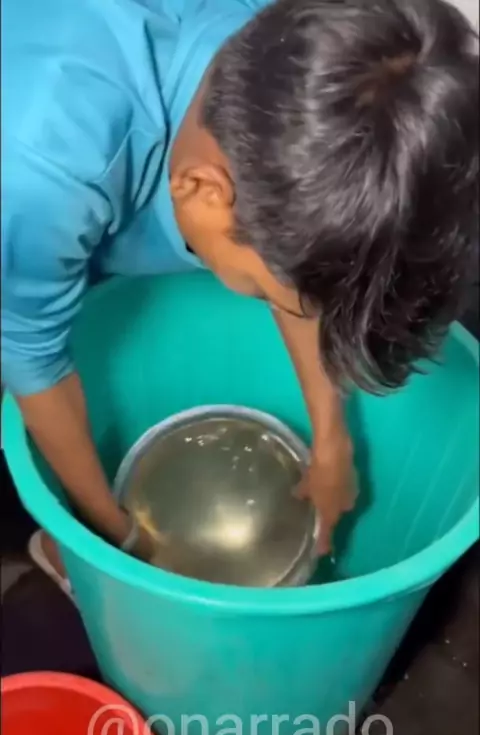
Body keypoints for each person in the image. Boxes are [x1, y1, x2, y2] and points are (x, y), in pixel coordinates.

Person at [2, 0, 478, 587]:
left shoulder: (301, 69)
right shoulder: (34, 179)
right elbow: (33, 358)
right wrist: (119, 538)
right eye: (268, 290)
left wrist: (332, 443)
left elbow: (304, 265)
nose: (287, 304)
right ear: (203, 191)